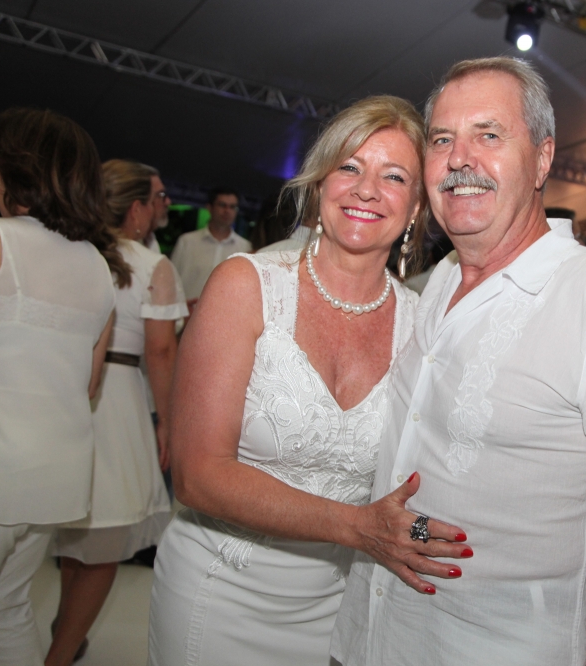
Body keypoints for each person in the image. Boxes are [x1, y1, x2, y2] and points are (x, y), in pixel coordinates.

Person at [332, 57, 586, 666]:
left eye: (489, 135)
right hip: (372, 637)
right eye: (442, 139)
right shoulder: (439, 282)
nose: (459, 158)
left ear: (543, 159)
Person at [148, 96, 471, 666]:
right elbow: (196, 476)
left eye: (394, 176)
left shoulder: (423, 326)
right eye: (349, 167)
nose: (367, 190)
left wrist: (435, 538)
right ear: (320, 185)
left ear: (417, 205)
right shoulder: (244, 286)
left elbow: (428, 479)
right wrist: (358, 527)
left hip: (338, 606)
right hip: (219, 593)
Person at [0, 108, 120, 665]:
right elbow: (90, 383)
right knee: (7, 613)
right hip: (55, 476)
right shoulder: (98, 265)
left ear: (12, 172)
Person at [48, 159, 188, 665]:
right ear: (135, 209)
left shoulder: (70, 251)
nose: (162, 205)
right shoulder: (151, 265)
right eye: (157, 197)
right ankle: (61, 652)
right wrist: (167, 422)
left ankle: (65, 629)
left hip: (62, 392)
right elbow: (162, 353)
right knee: (106, 539)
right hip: (119, 399)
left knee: (75, 531)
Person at [170, 185, 251, 310]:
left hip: (226, 317)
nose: (227, 211)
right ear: (209, 207)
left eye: (232, 207)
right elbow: (171, 281)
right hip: (187, 315)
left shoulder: (245, 247)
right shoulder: (187, 241)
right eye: (222, 205)